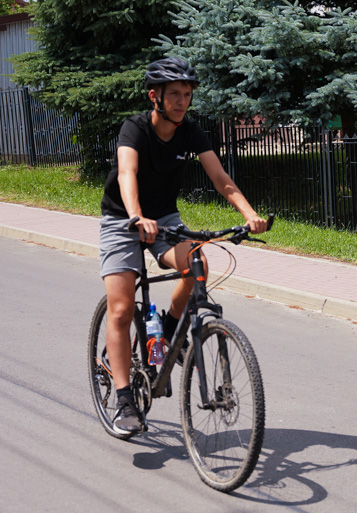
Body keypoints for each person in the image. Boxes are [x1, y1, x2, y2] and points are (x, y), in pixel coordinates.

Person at [100, 56, 267, 434]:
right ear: (154, 96)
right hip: (122, 218)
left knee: (198, 264)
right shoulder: (135, 128)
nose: (181, 101)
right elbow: (127, 173)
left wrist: (249, 215)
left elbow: (221, 177)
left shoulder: (190, 132)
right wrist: (136, 216)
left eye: (187, 94)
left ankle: (172, 329)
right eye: (173, 94)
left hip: (165, 218)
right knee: (123, 308)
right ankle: (125, 399)